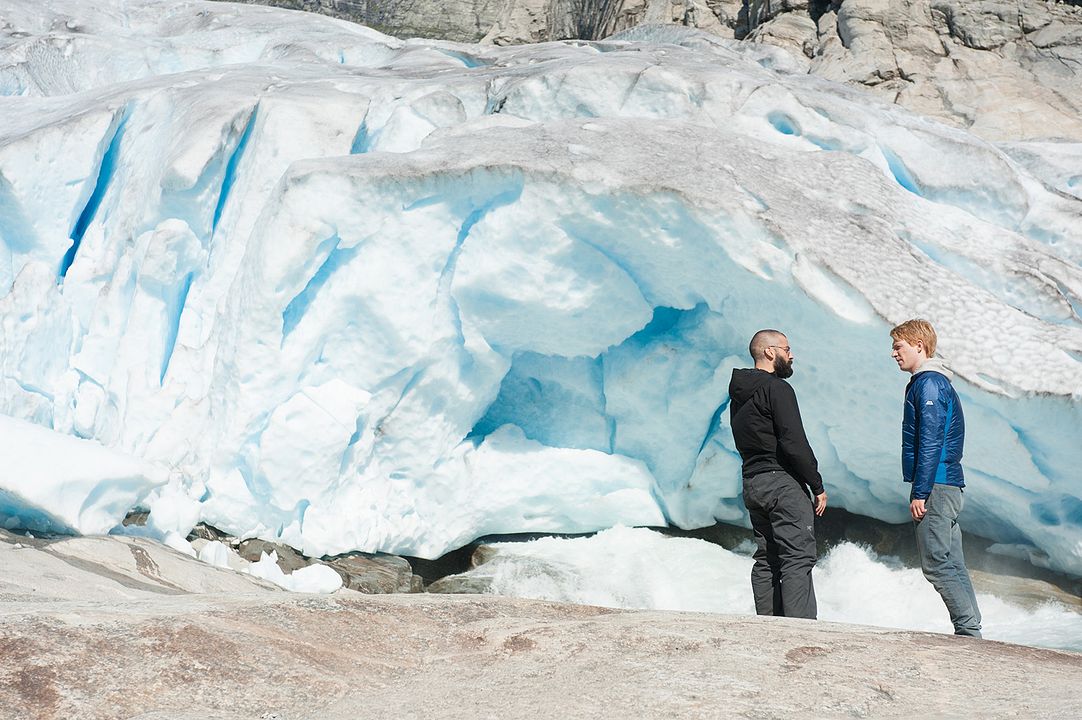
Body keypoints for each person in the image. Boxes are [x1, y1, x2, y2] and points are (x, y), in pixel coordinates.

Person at [890, 319, 982, 638]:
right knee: (951, 562)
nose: (894, 353)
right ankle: (971, 630)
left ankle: (969, 633)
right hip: (947, 483)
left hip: (937, 486)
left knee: (936, 564)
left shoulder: (929, 383)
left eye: (898, 346)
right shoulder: (932, 382)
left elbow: (930, 440)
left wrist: (921, 492)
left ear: (919, 345)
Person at [729, 329, 827, 619]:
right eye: (787, 348)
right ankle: (799, 630)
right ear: (770, 352)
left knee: (767, 558)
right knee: (798, 557)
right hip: (782, 483)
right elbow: (793, 441)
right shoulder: (777, 388)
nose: (791, 354)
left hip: (753, 482)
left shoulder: (740, 393)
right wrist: (816, 485)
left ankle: (769, 627)